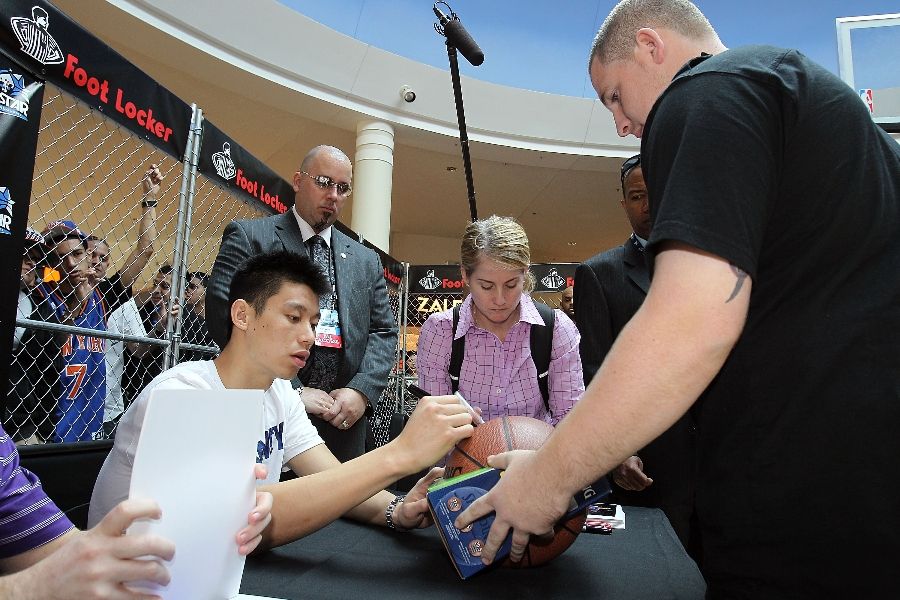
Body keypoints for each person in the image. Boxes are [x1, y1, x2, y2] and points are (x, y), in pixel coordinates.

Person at [457, 1, 900, 597]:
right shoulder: (824, 114)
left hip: (797, 503)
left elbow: (692, 322)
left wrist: (548, 477)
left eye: (614, 95)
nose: (620, 123)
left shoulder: (706, 92)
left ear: (650, 46)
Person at [90, 251, 474, 552]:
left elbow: (330, 478)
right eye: (293, 317)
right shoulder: (182, 395)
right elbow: (237, 523)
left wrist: (395, 510)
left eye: (313, 322)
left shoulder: (279, 394)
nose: (309, 335)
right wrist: (399, 455)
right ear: (242, 315)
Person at [207, 145, 397, 462]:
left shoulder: (365, 261)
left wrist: (361, 391)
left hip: (342, 422)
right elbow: (223, 315)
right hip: (266, 413)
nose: (333, 195)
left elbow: (383, 331)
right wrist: (292, 390)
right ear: (298, 181)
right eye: (323, 182)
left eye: (343, 187)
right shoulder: (252, 237)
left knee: (343, 506)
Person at [575, 154, 697, 556]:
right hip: (645, 460)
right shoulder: (599, 273)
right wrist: (617, 449)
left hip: (722, 457)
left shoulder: (711, 265)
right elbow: (594, 370)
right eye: (636, 195)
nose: (648, 205)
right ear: (624, 202)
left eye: (656, 192)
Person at [0, 425, 271, 597]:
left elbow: (59, 558)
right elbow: (51, 576)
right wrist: (26, 589)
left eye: (310, 328)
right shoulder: (178, 387)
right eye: (295, 327)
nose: (307, 337)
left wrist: (207, 510)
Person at [416, 216, 583, 426]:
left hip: (539, 455)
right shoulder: (440, 331)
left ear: (525, 273)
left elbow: (569, 421)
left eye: (511, 285)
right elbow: (434, 429)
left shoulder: (557, 329)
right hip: (461, 458)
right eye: (486, 286)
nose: (500, 299)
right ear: (465, 275)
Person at [36, 220, 132, 442]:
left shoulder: (100, 295)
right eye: (58, 259)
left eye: (77, 254)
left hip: (91, 420)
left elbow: (144, 253)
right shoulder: (39, 297)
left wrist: (149, 200)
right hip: (52, 424)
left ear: (88, 255)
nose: (70, 264)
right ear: (49, 264)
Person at [93, 163, 163, 435]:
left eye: (104, 258)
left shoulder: (109, 292)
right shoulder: (58, 292)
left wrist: (150, 199)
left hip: (106, 408)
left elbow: (145, 250)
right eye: (92, 256)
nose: (98, 262)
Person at [6, 228, 60, 444]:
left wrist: (43, 429)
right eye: (24, 256)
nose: (31, 264)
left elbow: (50, 373)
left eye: (36, 259)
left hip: (20, 425)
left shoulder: (42, 309)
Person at [184, 270, 214, 348]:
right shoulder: (184, 317)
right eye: (186, 286)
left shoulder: (215, 323)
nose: (187, 290)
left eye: (192, 287)